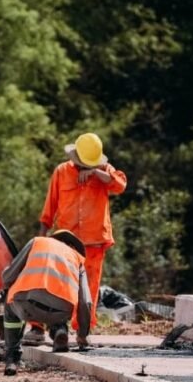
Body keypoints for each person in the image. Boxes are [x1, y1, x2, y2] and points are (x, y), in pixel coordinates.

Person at [31, 132, 127, 345]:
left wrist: (95, 173)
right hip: (66, 241)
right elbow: (50, 207)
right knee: (60, 285)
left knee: (90, 289)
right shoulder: (62, 172)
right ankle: (55, 327)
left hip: (95, 241)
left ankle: (83, 331)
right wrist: (41, 236)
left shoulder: (104, 171)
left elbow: (120, 185)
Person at [0, 230, 93, 376]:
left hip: (27, 306)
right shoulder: (78, 259)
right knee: (59, 302)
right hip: (59, 312)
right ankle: (60, 330)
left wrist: (5, 275)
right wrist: (82, 335)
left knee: (10, 302)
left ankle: (12, 358)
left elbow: (8, 278)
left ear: (54, 239)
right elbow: (85, 302)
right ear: (73, 247)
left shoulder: (38, 242)